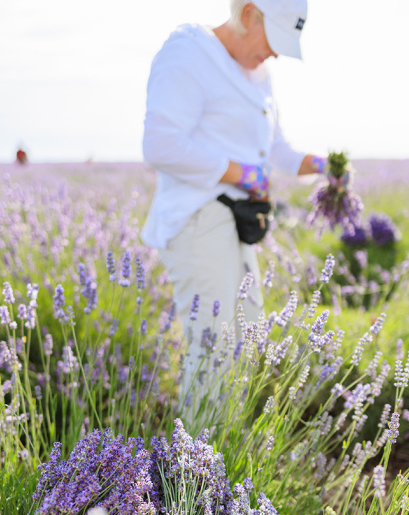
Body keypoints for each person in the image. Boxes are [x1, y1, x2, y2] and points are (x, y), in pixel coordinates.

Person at [141, 0, 331, 414]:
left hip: (236, 225)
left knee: (243, 343)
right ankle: (196, 470)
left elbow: (275, 149)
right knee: (212, 346)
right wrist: (241, 173)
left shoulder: (259, 74)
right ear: (248, 14)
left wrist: (323, 166)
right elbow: (160, 145)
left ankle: (217, 455)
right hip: (198, 222)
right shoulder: (189, 52)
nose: (277, 53)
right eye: (275, 39)